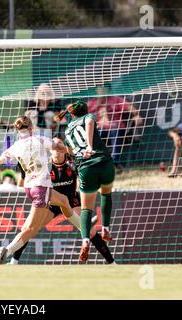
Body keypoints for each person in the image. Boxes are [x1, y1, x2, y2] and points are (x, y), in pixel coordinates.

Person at [0, 115, 83, 265]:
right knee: (31, 229)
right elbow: (60, 148)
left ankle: (83, 229)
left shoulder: (15, 146)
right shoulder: (40, 139)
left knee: (64, 201)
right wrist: (79, 152)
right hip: (41, 187)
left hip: (30, 188)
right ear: (31, 128)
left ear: (17, 130)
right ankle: (6, 251)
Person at [9, 137, 115, 265]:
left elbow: (86, 179)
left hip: (71, 201)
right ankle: (13, 262)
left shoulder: (73, 163)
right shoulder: (45, 166)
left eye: (60, 145)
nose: (57, 149)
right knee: (29, 229)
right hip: (51, 203)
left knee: (91, 232)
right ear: (50, 151)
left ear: (65, 149)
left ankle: (112, 263)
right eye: (54, 146)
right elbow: (26, 180)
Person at [54, 101, 115, 262]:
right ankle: (106, 229)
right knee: (106, 194)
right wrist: (89, 145)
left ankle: (85, 240)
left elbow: (71, 152)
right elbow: (88, 122)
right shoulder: (88, 117)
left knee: (86, 209)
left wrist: (66, 150)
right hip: (103, 161)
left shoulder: (67, 131)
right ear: (84, 111)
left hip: (85, 168)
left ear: (71, 114)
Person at [87, 84, 142, 172]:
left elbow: (131, 108)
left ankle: (114, 162)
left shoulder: (116, 99)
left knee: (115, 131)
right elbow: (80, 109)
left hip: (116, 128)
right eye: (99, 88)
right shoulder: (93, 102)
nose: (102, 90)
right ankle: (96, 163)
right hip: (101, 128)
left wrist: (136, 115)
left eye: (104, 88)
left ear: (108, 90)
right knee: (93, 134)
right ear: (96, 90)